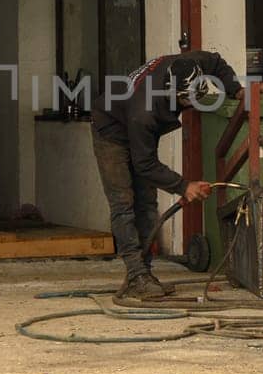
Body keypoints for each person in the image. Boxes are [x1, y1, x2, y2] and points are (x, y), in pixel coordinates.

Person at [90, 51, 242, 301]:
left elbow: (216, 62)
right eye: (187, 102)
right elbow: (145, 165)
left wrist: (236, 89)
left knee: (147, 203)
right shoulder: (145, 112)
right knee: (124, 202)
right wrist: (184, 186)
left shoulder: (190, 64)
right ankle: (137, 275)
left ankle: (143, 274)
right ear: (173, 94)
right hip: (111, 129)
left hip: (134, 121)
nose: (192, 107)